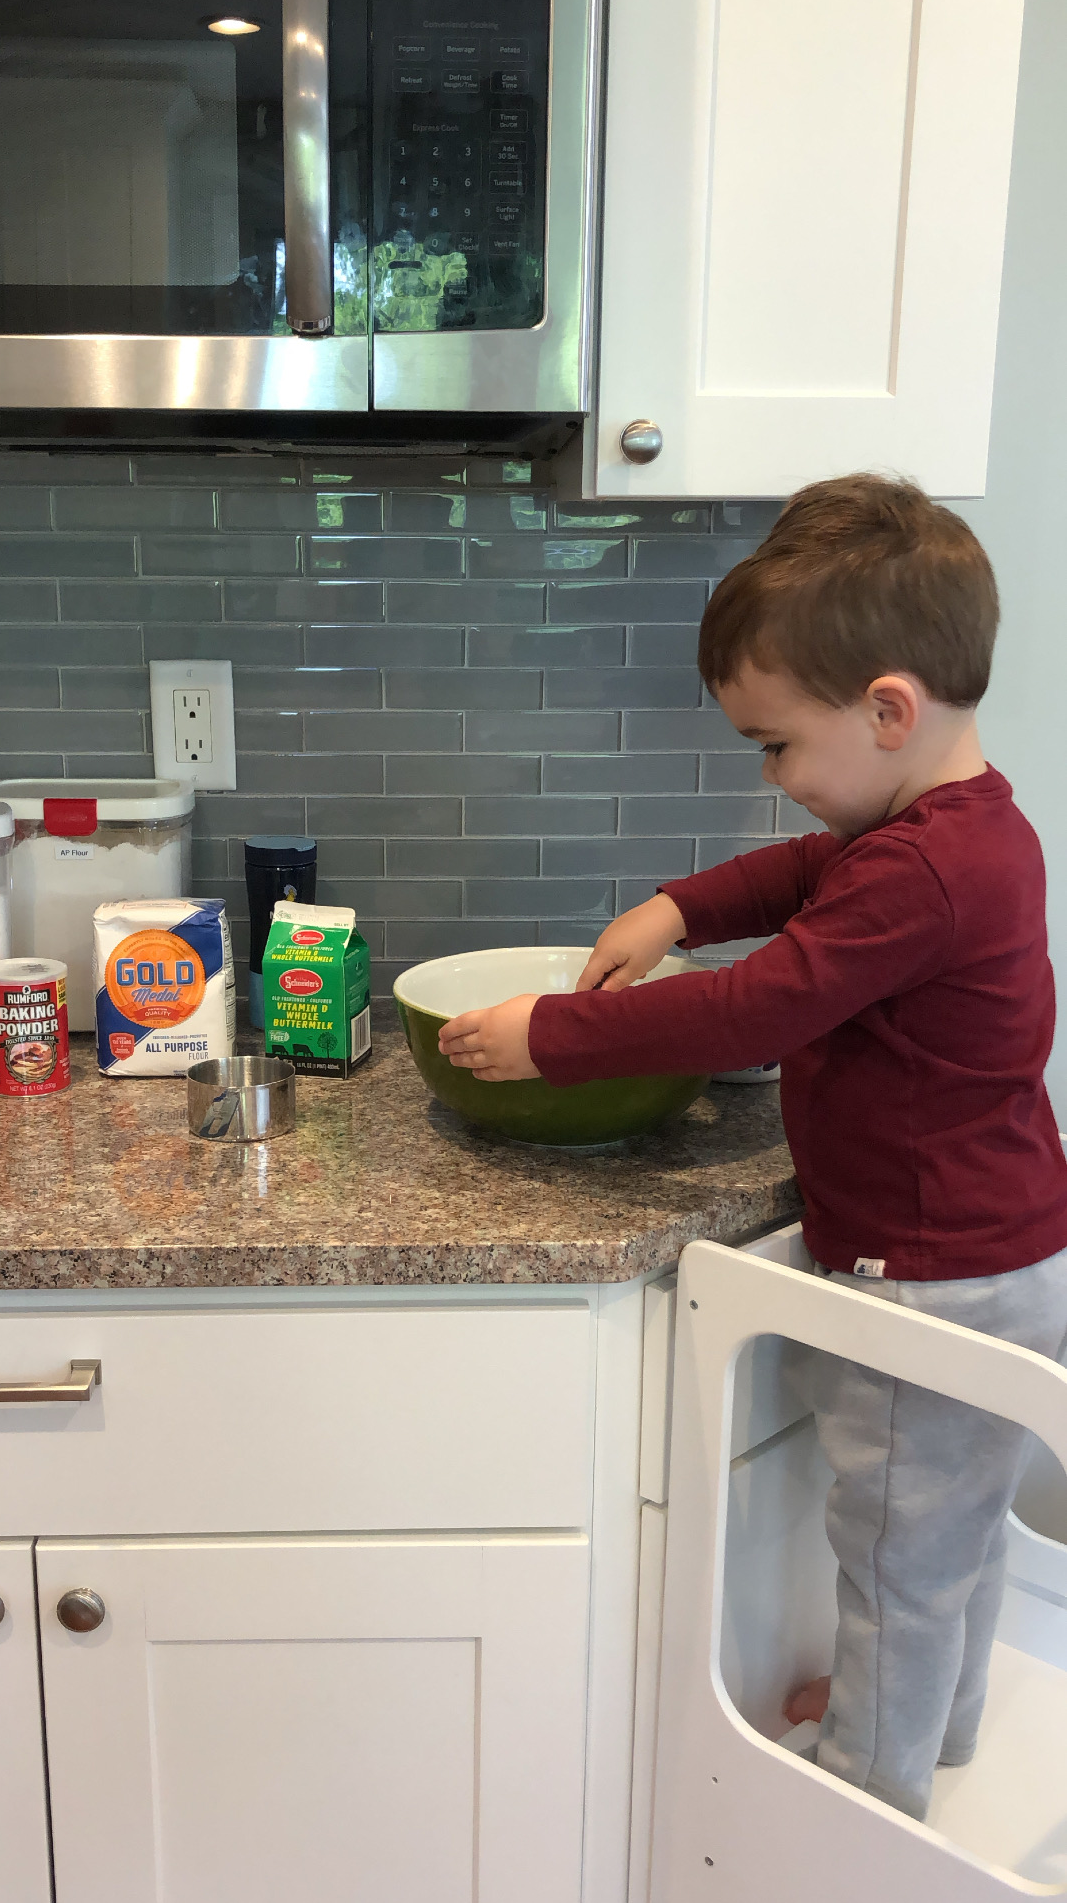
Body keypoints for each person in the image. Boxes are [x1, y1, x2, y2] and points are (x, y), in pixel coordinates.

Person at [438, 473, 1067, 1823]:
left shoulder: (921, 869)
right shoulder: (945, 827)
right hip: (996, 1245)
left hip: (934, 1274)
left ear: (886, 710)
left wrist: (549, 1036)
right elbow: (795, 881)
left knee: (895, 1550)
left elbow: (764, 1000)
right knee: (946, 1540)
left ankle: (860, 1798)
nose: (769, 778)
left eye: (772, 745)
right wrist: (676, 903)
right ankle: (930, 1739)